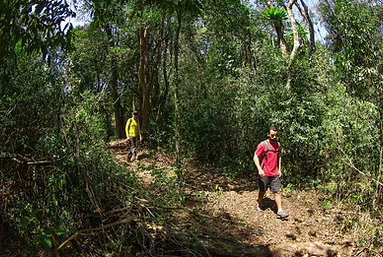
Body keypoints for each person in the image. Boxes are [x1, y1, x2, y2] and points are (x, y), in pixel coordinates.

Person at [253, 126, 289, 219]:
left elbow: (279, 156)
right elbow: (255, 157)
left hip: (275, 173)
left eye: (276, 135)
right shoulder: (263, 145)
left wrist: (279, 169)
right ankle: (259, 203)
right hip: (264, 173)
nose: (274, 137)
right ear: (268, 134)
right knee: (262, 190)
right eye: (272, 135)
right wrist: (259, 169)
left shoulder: (278, 145)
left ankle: (280, 210)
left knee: (277, 191)